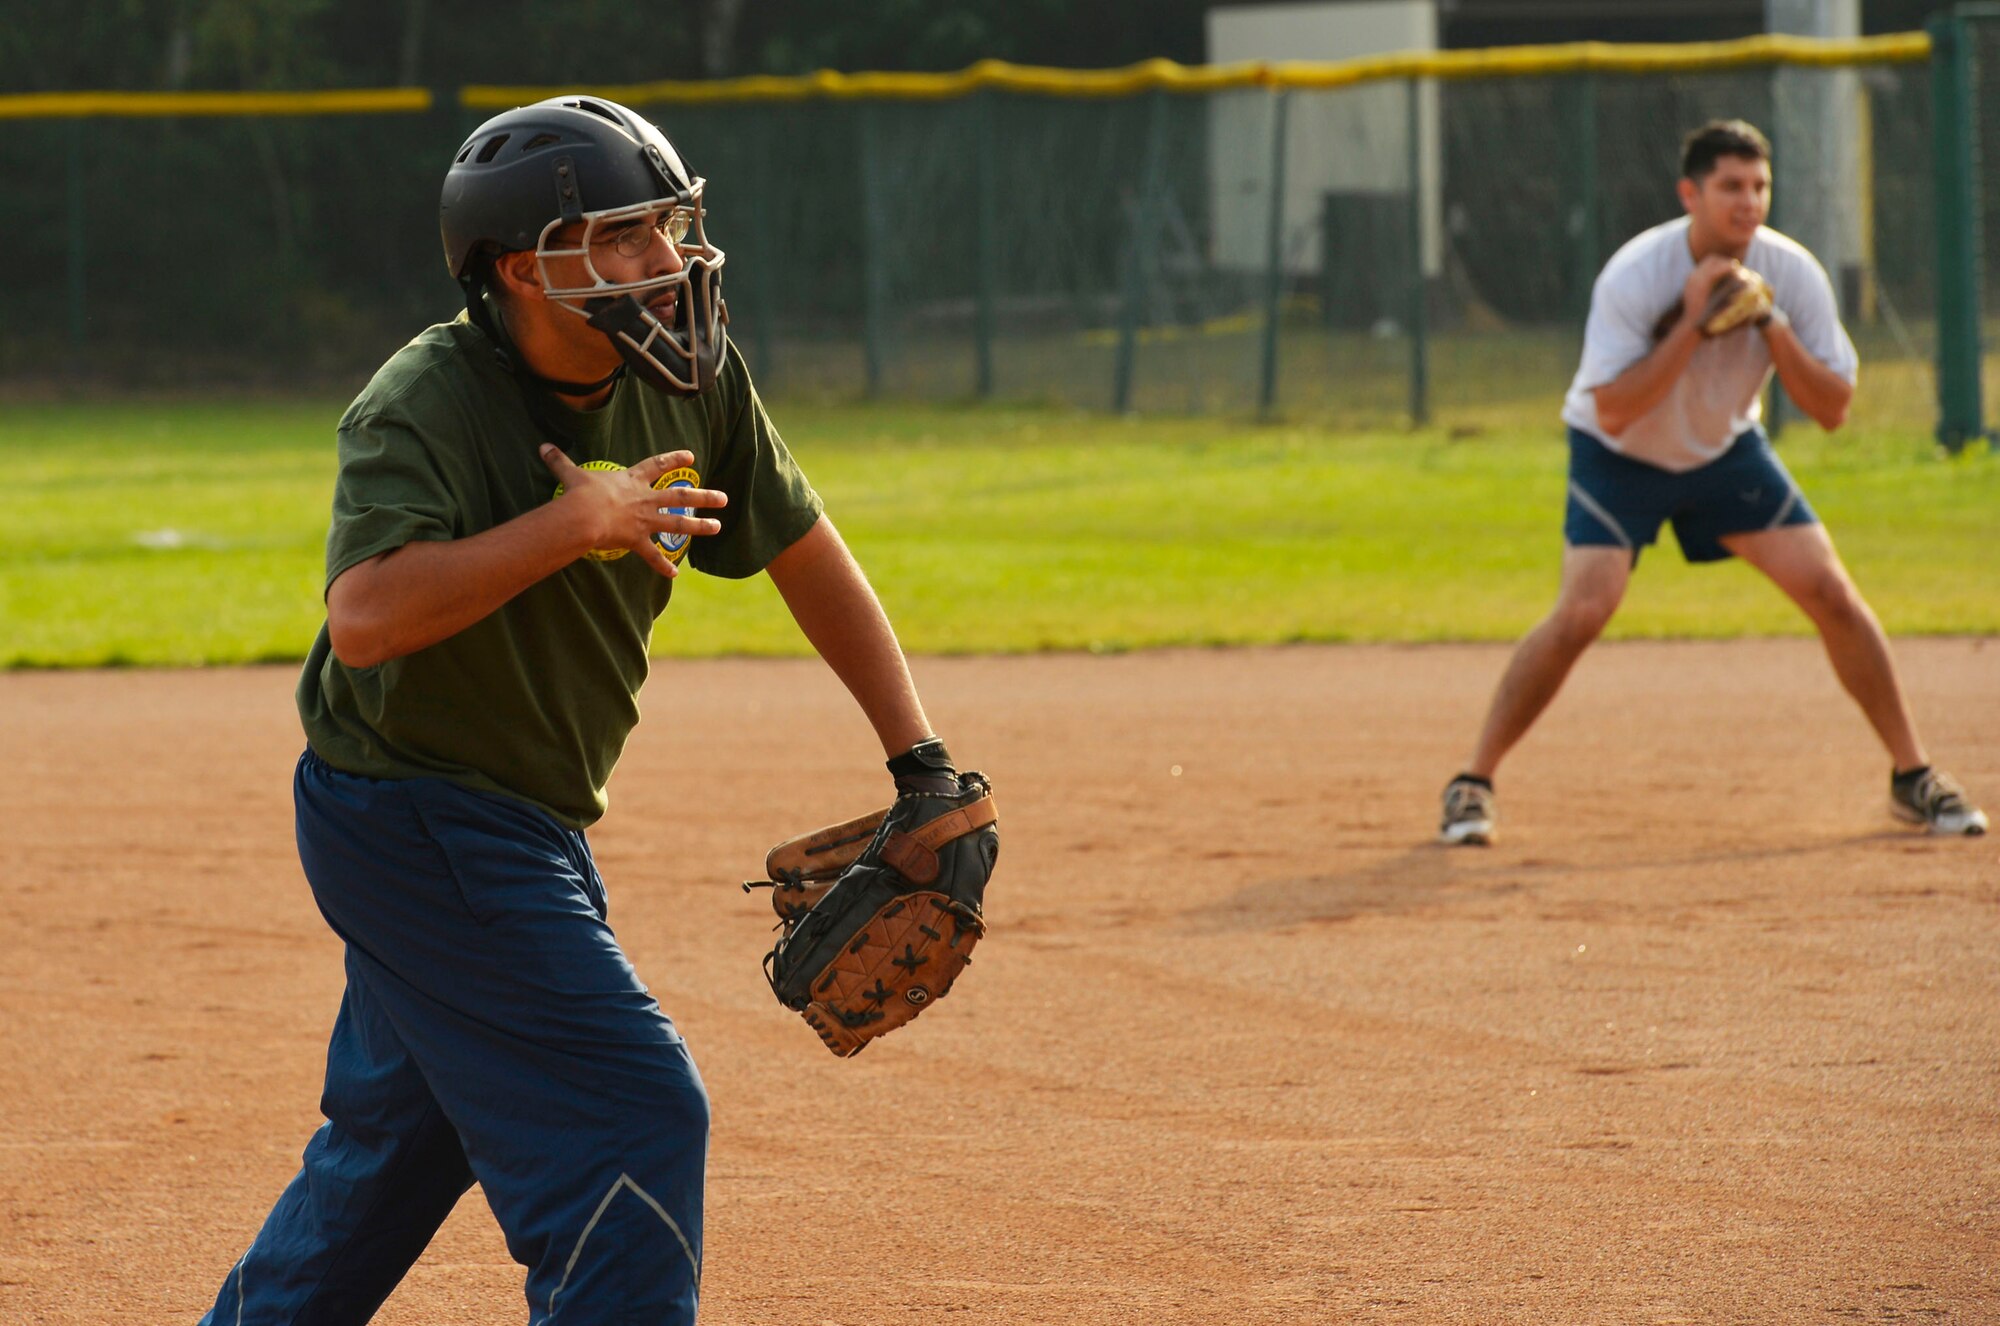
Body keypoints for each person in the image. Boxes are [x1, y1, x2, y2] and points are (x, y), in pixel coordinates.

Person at [198, 94, 969, 1324]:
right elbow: (366, 619)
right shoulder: (425, 400)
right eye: (617, 239)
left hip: (519, 820)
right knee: (630, 1108)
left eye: (666, 228)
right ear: (519, 270)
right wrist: (574, 524)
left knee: (401, 1145)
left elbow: (802, 548)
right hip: (411, 815)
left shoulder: (687, 377)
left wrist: (918, 762)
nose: (662, 264)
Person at [1438, 119, 1986, 846]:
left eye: (1760, 186)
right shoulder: (1637, 274)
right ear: (1690, 194)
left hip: (1725, 451)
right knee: (1583, 611)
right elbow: (1614, 406)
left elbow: (1832, 411)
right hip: (1620, 454)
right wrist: (1694, 324)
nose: (1749, 202)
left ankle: (1912, 776)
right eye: (1731, 186)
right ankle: (1472, 782)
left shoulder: (1791, 272)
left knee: (1832, 594)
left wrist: (1771, 326)